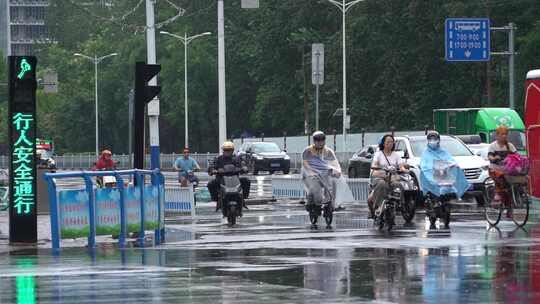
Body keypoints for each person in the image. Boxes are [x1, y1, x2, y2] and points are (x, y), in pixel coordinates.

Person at [367, 134, 408, 219]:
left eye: (392, 142)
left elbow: (401, 166)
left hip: (392, 177)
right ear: (383, 143)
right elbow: (374, 165)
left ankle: (401, 205)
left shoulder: (396, 155)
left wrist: (404, 169)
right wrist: (378, 169)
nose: (390, 143)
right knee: (382, 184)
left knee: (398, 185)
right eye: (388, 142)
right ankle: (378, 207)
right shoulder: (378, 154)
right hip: (380, 177)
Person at [302, 131, 343, 210]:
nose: (320, 143)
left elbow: (334, 163)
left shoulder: (328, 151)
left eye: (322, 141)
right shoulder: (308, 151)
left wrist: (338, 171)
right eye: (318, 141)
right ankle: (311, 203)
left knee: (332, 184)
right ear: (314, 141)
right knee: (316, 191)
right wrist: (311, 172)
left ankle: (331, 203)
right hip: (311, 175)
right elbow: (305, 164)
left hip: (324, 174)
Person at [207, 141, 251, 212]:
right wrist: (212, 170)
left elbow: (243, 164)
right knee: (210, 184)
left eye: (229, 150)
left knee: (247, 181)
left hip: (235, 179)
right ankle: (216, 199)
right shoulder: (218, 159)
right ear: (223, 150)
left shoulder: (237, 158)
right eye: (225, 150)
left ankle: (243, 198)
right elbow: (212, 166)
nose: (227, 152)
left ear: (232, 150)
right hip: (221, 179)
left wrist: (244, 168)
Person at [488, 125, 518, 216]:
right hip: (494, 170)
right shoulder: (493, 146)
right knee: (500, 178)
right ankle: (497, 194)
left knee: (510, 187)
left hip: (506, 171)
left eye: (505, 134)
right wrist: (493, 158)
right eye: (502, 134)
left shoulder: (510, 146)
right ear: (497, 135)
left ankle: (509, 207)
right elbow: (490, 156)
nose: (504, 136)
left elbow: (517, 156)